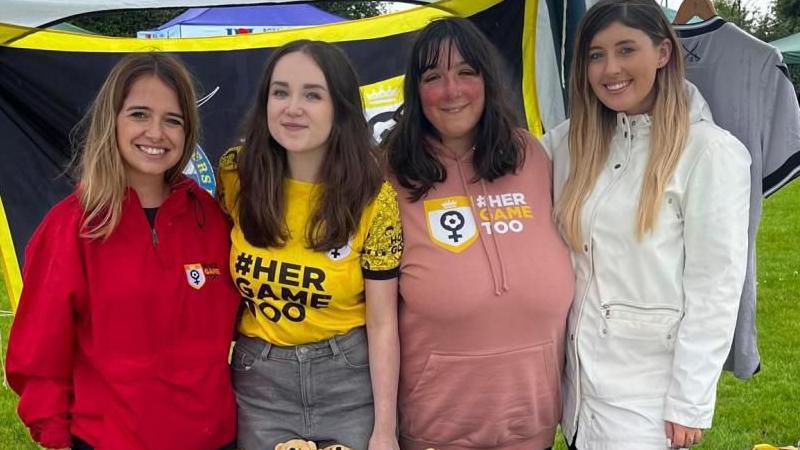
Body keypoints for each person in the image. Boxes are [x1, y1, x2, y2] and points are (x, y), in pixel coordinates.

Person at [540, 1, 751, 448]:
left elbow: (715, 287)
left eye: (625, 49)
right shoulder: (570, 144)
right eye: (595, 55)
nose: (609, 68)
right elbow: (498, 159)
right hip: (578, 399)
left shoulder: (709, 153)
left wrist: (689, 401)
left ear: (662, 53)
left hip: (648, 405)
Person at [5, 53, 240, 450]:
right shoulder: (73, 227)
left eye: (173, 120)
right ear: (111, 120)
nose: (156, 132)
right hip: (108, 440)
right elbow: (40, 353)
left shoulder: (212, 221)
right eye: (139, 114)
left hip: (215, 439)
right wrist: (55, 435)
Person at [383, 18, 575, 450]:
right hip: (436, 426)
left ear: (487, 79)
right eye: (434, 77)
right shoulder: (390, 175)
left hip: (533, 419)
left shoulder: (532, 156)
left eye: (466, 72)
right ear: (415, 92)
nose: (452, 90)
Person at [218, 40, 403, 450]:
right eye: (280, 92)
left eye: (312, 94)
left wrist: (386, 430)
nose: (292, 107)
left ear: (340, 107)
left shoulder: (373, 196)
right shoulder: (235, 174)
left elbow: (383, 321)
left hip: (349, 382)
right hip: (260, 381)